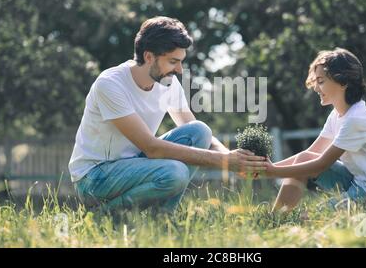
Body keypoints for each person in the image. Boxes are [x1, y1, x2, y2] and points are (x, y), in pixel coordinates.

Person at [68, 16, 267, 214]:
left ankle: (162, 216)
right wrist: (224, 162)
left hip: (134, 165)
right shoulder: (110, 84)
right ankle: (104, 215)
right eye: (173, 61)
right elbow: (151, 147)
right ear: (149, 57)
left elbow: (195, 132)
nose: (179, 70)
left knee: (200, 131)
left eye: (180, 62)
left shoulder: (167, 83)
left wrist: (234, 159)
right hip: (94, 177)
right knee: (175, 173)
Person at [265, 48, 366, 213]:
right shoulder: (337, 115)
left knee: (314, 217)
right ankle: (276, 219)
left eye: (321, 81)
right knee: (304, 157)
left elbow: (320, 165)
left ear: (343, 82)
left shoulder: (356, 119)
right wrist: (267, 168)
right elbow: (311, 154)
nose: (316, 88)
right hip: (357, 182)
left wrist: (272, 171)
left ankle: (283, 219)